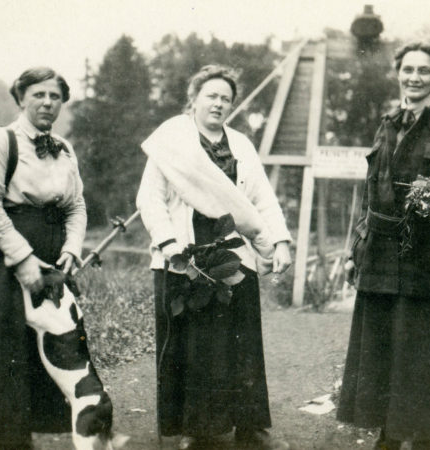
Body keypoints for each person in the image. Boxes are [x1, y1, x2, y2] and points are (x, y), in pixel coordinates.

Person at [136, 65, 292, 449]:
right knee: (193, 346)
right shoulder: (171, 140)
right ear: (194, 98)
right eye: (212, 95)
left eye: (226, 98)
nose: (219, 104)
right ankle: (196, 431)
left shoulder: (240, 144)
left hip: (233, 254)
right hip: (183, 254)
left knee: (242, 346)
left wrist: (280, 242)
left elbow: (261, 200)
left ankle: (250, 429)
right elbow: (149, 199)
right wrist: (170, 245)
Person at [336, 43, 430, 450]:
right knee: (384, 346)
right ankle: (388, 434)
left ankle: (420, 438)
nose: (414, 77)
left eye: (424, 71)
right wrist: (357, 247)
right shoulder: (389, 122)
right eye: (407, 69)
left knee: (423, 350)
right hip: (382, 252)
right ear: (398, 72)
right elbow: (371, 191)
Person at [0, 67, 87, 449]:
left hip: (50, 261)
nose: (47, 102)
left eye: (55, 96)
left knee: (42, 351)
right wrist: (23, 260)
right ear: (21, 98)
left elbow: (77, 206)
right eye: (39, 94)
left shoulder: (64, 148)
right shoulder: (1, 140)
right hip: (1, 263)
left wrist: (72, 249)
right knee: (3, 352)